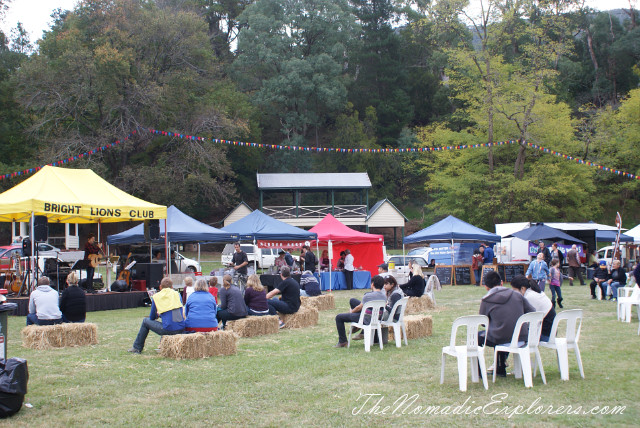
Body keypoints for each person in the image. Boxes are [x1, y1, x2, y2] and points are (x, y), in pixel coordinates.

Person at [478, 271, 535, 377]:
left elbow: (483, 322)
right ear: (502, 282)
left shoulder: (486, 300)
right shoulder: (517, 295)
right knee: (501, 331)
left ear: (486, 287)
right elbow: (532, 312)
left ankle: (479, 372)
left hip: (500, 338)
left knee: (481, 336)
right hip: (522, 338)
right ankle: (500, 367)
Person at [129, 277, 185, 353]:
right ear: (172, 287)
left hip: (168, 329)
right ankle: (162, 345)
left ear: (160, 287)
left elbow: (152, 317)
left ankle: (137, 347)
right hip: (181, 328)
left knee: (146, 321)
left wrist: (158, 314)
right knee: (167, 321)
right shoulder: (177, 295)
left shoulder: (157, 296)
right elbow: (177, 312)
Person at [334, 275, 386, 348]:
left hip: (366, 319)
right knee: (353, 301)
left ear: (372, 284)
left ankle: (343, 341)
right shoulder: (384, 296)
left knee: (339, 317)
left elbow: (359, 308)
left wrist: (351, 312)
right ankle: (356, 328)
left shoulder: (368, 295)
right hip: (377, 318)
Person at [510, 275, 555, 342]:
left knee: (510, 337)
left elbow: (524, 319)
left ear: (522, 288)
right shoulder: (533, 292)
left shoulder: (529, 297)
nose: (513, 293)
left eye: (514, 290)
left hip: (545, 334)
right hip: (549, 331)